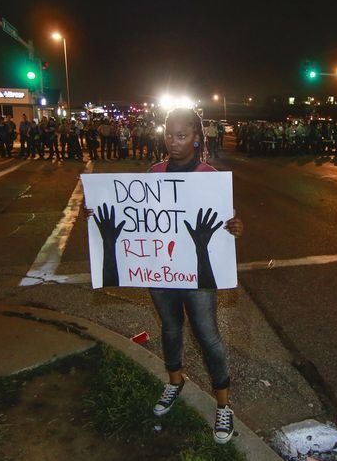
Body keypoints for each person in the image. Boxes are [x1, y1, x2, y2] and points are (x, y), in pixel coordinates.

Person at [84, 108, 243, 444]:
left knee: (208, 335)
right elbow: (138, 216)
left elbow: (224, 221)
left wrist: (235, 226)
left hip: (196, 273)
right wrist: (96, 210)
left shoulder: (208, 175)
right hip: (162, 269)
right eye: (169, 134)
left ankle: (224, 405)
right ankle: (174, 382)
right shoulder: (154, 172)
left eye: (181, 135)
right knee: (170, 328)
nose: (173, 141)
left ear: (196, 139)